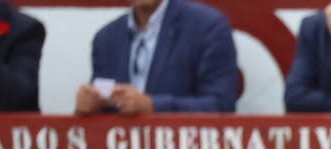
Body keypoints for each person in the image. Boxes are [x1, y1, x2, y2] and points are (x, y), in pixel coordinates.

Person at [73, 0, 237, 115]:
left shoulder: (207, 27)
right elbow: (103, 109)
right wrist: (89, 106)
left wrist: (152, 106)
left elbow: (222, 105)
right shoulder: (106, 39)